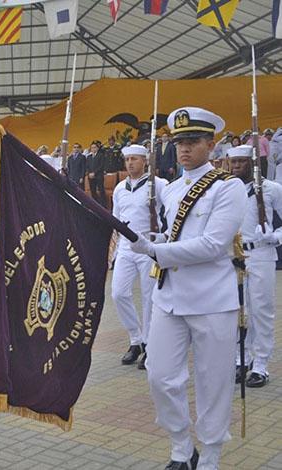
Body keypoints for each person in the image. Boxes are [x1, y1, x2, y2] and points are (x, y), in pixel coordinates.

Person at [131, 107, 246, 470]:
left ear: (210, 144)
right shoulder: (172, 189)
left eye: (193, 141)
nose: (184, 149)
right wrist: (156, 239)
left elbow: (214, 244)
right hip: (169, 297)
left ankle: (210, 454)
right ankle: (181, 446)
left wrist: (155, 250)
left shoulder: (229, 189)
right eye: (179, 142)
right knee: (160, 376)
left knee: (213, 384)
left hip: (212, 299)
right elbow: (175, 233)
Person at [228, 144, 282, 388]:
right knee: (239, 311)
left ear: (253, 163)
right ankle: (242, 358)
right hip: (235, 256)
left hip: (261, 253)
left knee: (261, 311)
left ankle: (260, 364)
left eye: (242, 162)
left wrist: (276, 236)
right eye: (233, 162)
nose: (237, 166)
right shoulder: (227, 190)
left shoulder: (271, 190)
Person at [111, 144, 166, 370]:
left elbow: (172, 213)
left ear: (145, 161)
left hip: (148, 246)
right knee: (118, 293)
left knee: (148, 298)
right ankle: (135, 339)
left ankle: (149, 345)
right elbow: (115, 219)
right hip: (126, 246)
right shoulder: (119, 188)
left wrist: (162, 238)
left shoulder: (159, 185)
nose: (130, 163)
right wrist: (113, 250)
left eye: (135, 159)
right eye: (127, 160)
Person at [86, 141, 107, 207]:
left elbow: (101, 166)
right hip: (91, 176)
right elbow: (87, 166)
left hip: (98, 176)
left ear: (97, 148)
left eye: (94, 147)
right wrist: (89, 173)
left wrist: (94, 173)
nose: (93, 149)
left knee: (101, 190)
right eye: (92, 148)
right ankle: (95, 205)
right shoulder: (89, 157)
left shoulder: (101, 155)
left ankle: (103, 206)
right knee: (93, 191)